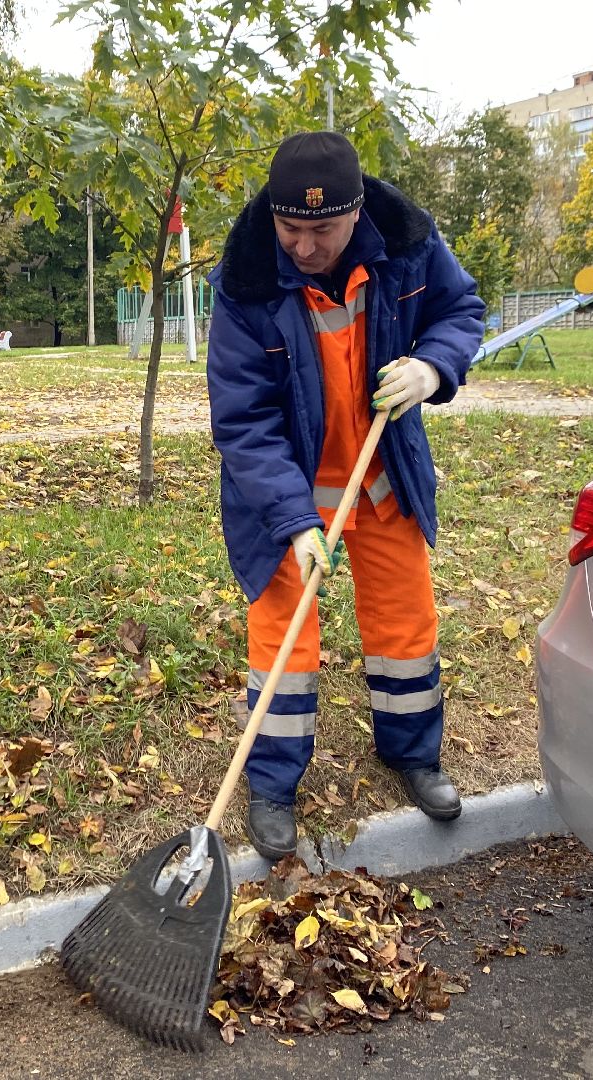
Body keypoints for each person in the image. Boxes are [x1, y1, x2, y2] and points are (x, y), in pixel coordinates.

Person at [206, 130, 484, 861]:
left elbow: (460, 311)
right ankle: (272, 786)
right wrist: (295, 522)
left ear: (356, 214)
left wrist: (432, 369)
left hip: (382, 477)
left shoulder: (410, 246)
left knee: (404, 624)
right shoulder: (246, 282)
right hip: (290, 496)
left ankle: (413, 754)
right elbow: (243, 421)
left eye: (321, 230)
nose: (303, 246)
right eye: (289, 228)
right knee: (283, 639)